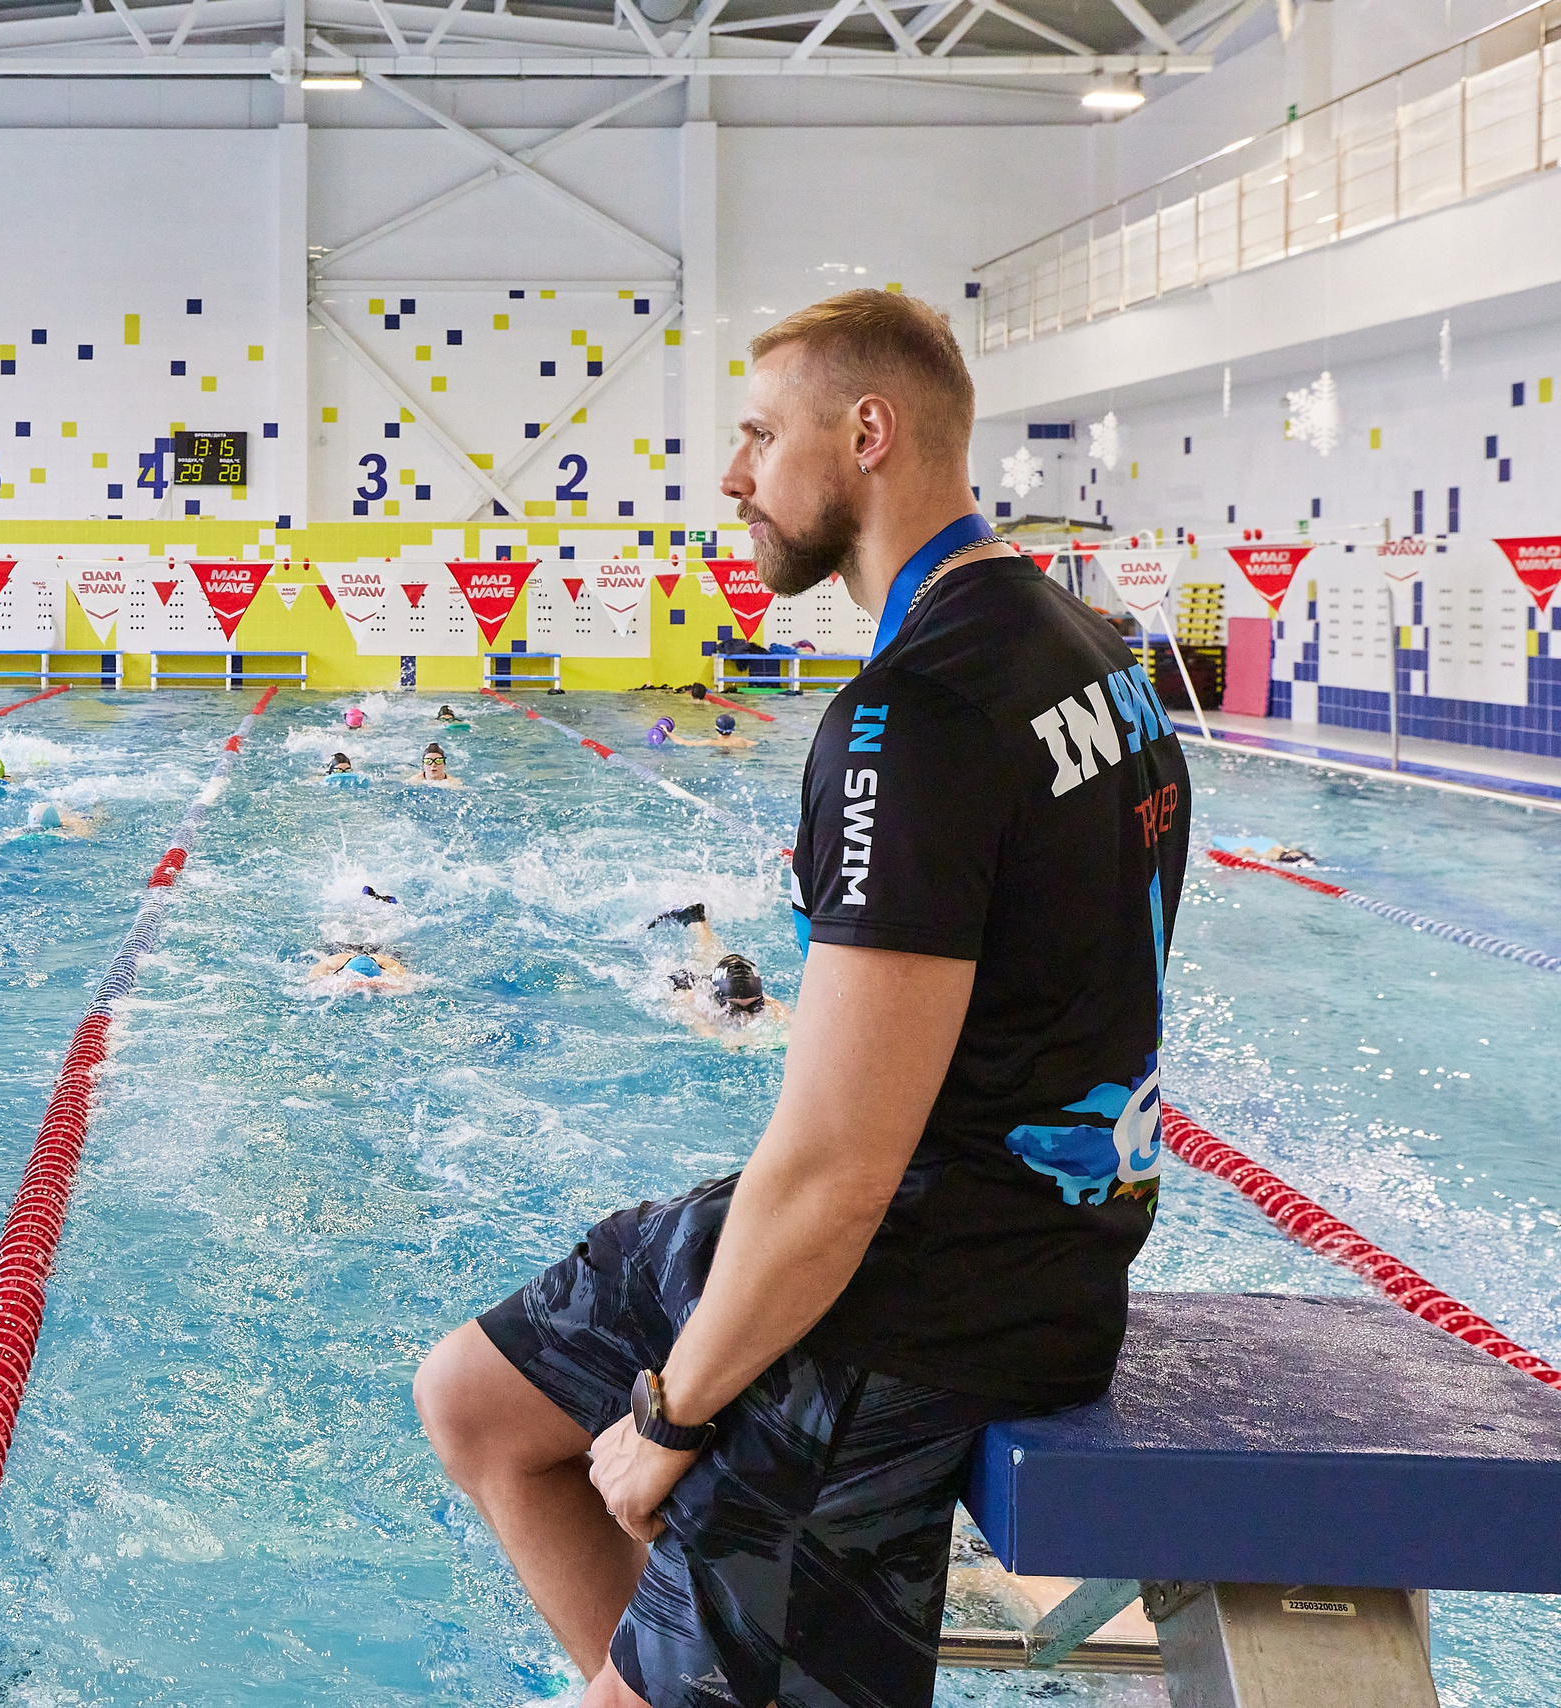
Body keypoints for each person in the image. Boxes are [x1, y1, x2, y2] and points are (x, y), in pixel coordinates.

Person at [414, 288, 1190, 1708]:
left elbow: (840, 1174)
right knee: (472, 1401)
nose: (732, 477)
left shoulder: (915, 715)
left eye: (761, 437)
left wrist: (670, 1413)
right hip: (1046, 1245)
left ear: (869, 435)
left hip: (919, 1308)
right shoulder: (1096, 658)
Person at [669, 953, 790, 1047]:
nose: (744, 1014)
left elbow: (790, 1022)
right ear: (718, 999)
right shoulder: (697, 1000)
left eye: (754, 1006)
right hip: (685, 982)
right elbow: (704, 1030)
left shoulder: (762, 999)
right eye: (734, 1007)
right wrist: (726, 1039)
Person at [308, 944, 412, 991]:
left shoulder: (389, 964)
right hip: (343, 951)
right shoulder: (333, 962)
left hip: (377, 953)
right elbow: (314, 980)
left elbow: (406, 983)